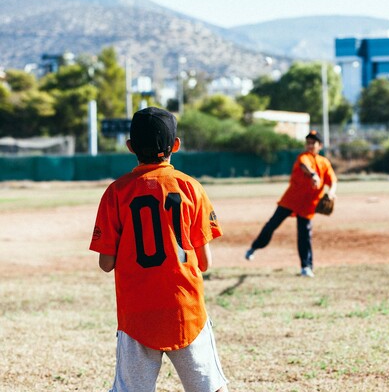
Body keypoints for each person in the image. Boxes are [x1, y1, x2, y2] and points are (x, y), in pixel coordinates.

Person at [89, 107, 228, 392]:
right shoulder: (191, 188)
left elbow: (106, 263)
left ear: (130, 147)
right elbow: (204, 262)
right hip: (185, 311)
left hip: (136, 316)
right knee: (209, 388)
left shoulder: (116, 192)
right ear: (175, 145)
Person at [245, 130, 337, 277]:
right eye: (308, 142)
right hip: (291, 200)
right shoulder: (303, 157)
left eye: (313, 143)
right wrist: (313, 175)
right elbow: (304, 167)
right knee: (272, 225)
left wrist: (331, 193)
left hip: (308, 205)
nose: (310, 145)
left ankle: (306, 267)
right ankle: (254, 247)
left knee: (304, 235)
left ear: (320, 145)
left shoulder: (324, 163)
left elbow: (333, 181)